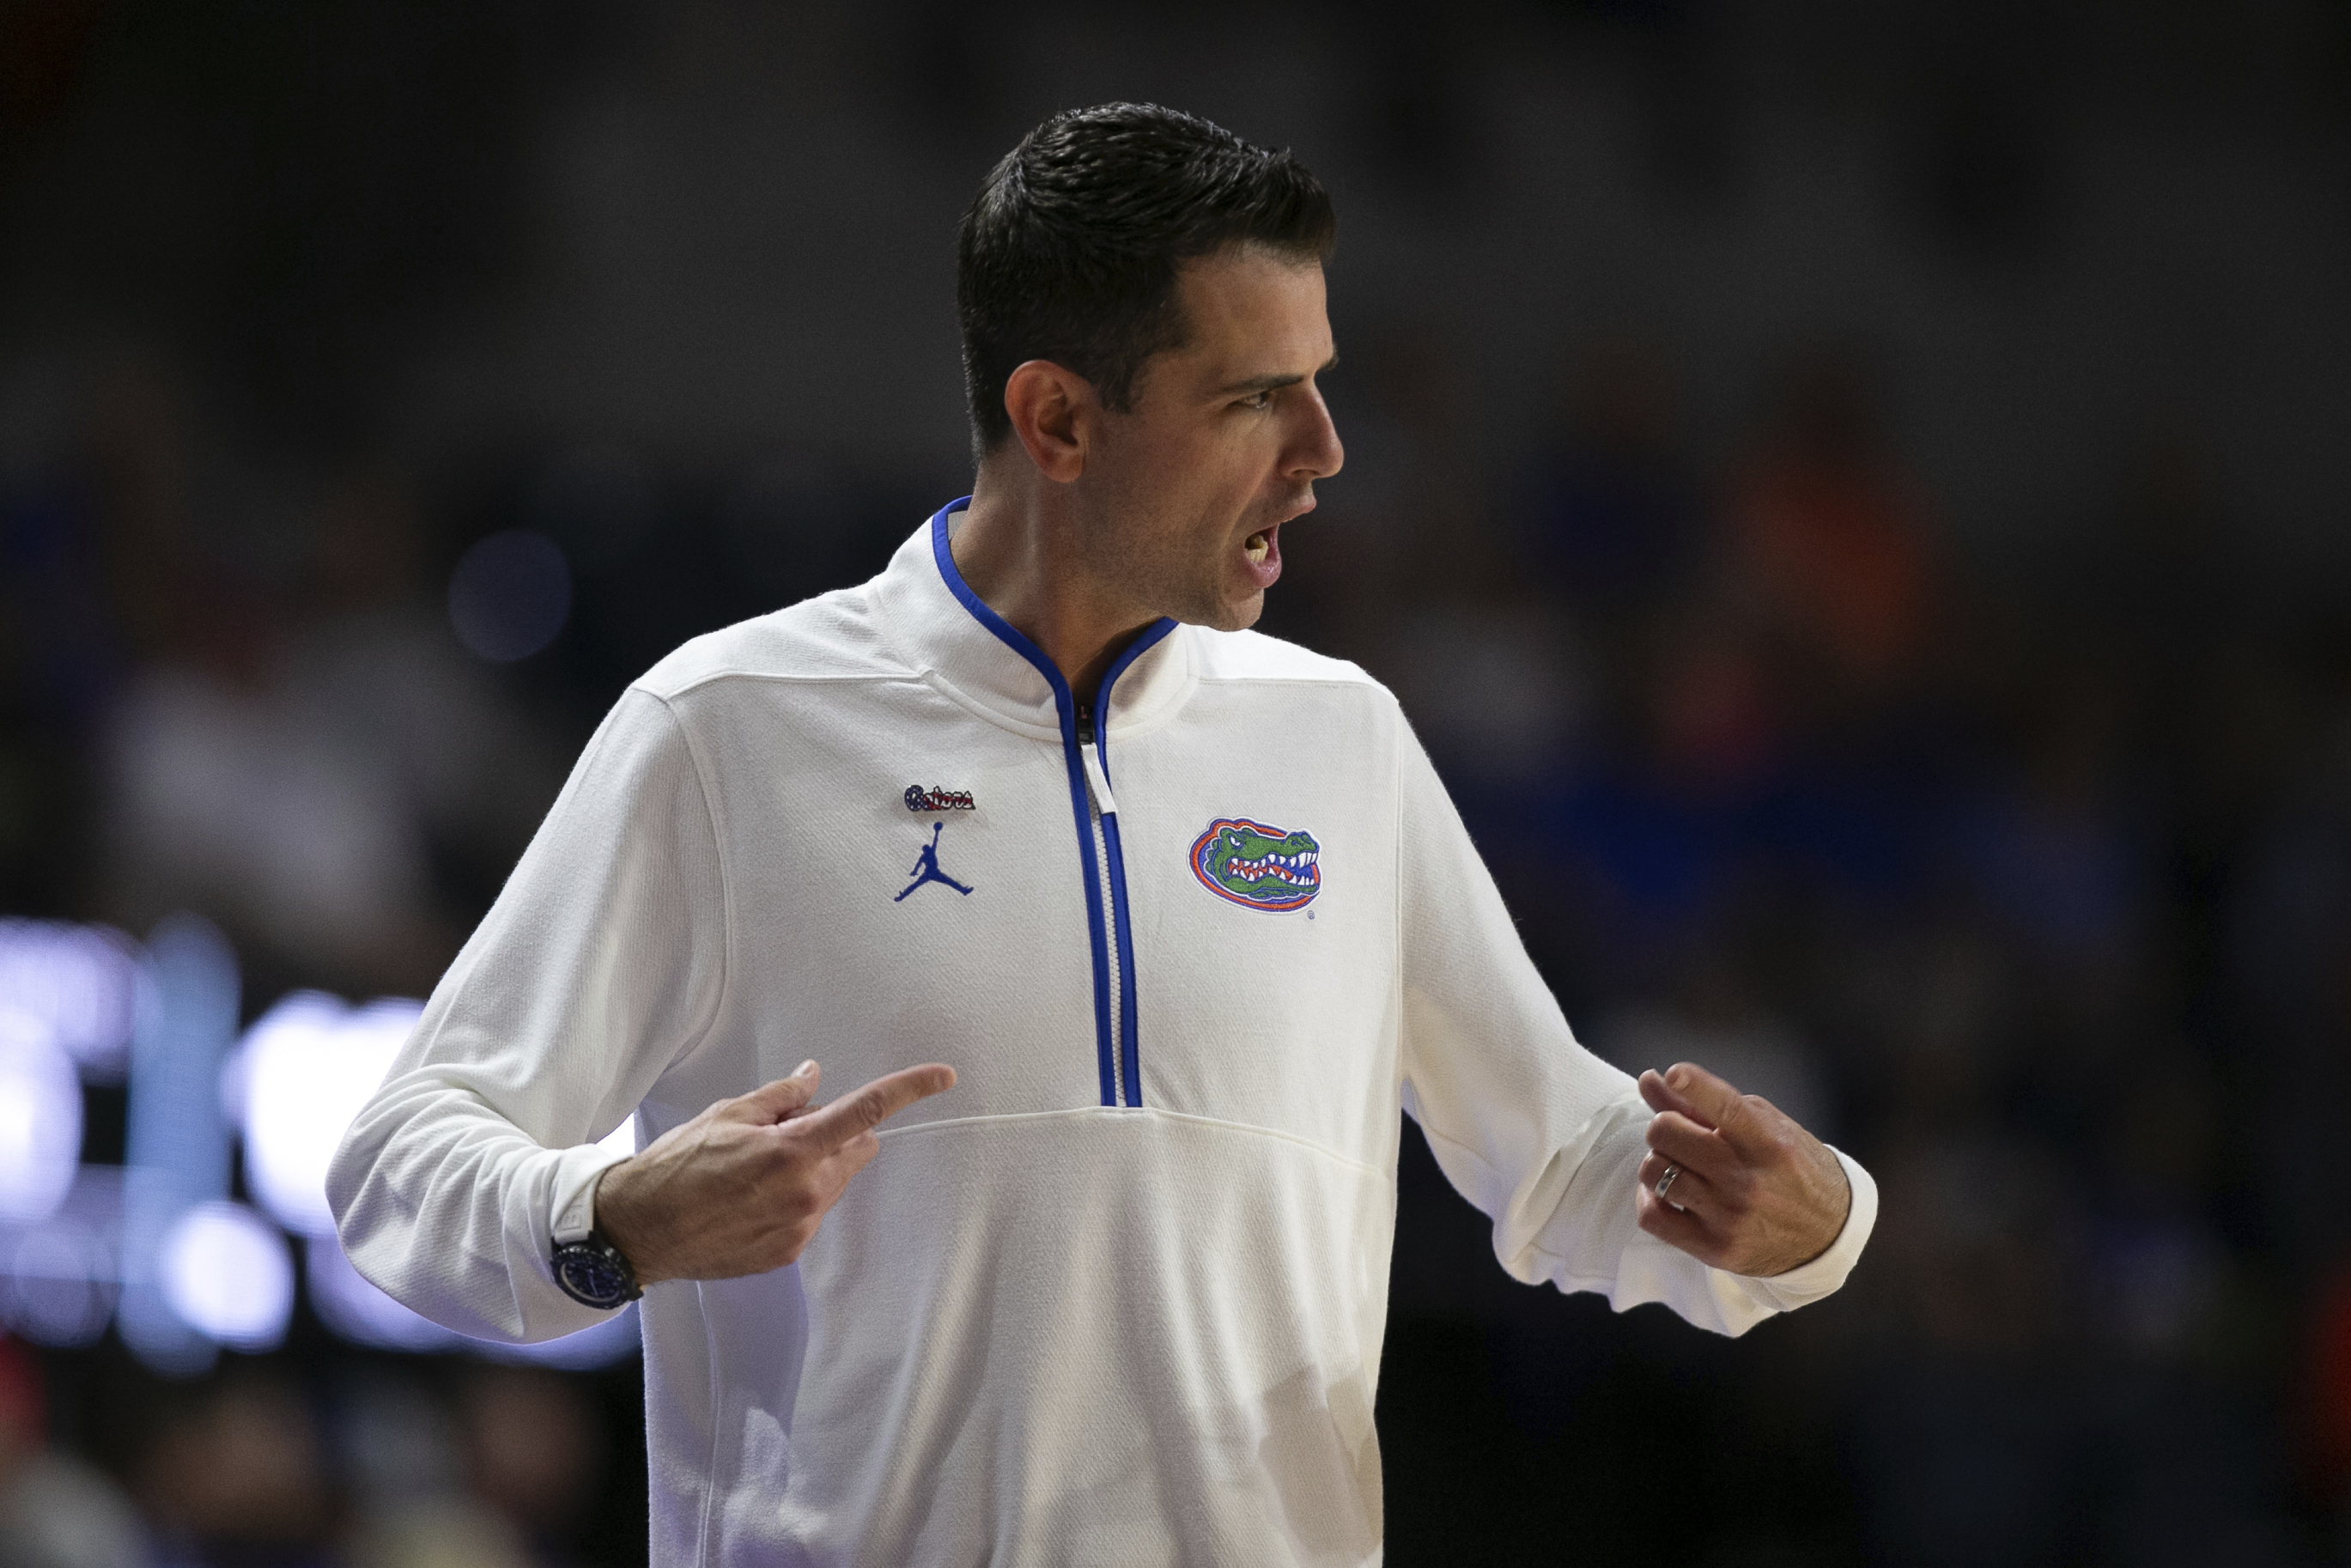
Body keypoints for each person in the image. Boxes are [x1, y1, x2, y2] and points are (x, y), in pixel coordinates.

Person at [330, 102, 1878, 1565]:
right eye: (1255, 396)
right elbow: (401, 1163)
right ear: (1057, 417)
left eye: (1318, 379)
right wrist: (601, 1223)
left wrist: (1803, 1227)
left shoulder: (1340, 739)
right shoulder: (726, 726)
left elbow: (1569, 1163)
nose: (1326, 448)